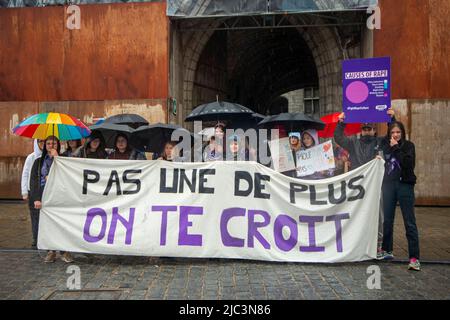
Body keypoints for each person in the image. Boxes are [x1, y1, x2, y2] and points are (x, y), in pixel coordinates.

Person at [377, 121, 421, 271]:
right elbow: (380, 147)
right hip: (389, 185)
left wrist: (396, 147)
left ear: (402, 133)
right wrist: (390, 119)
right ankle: (387, 250)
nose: (395, 135)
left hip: (405, 186)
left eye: (398, 132)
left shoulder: (409, 146)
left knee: (409, 222)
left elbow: (408, 164)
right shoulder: (386, 145)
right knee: (387, 220)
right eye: (393, 132)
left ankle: (414, 258)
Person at [29, 136, 74, 263]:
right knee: (47, 224)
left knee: (61, 223)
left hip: (59, 195)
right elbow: (34, 181)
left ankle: (64, 251)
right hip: (43, 195)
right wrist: (36, 198)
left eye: (53, 143)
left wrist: (57, 158)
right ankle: (51, 251)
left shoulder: (63, 160)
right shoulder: (38, 162)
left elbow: (68, 175)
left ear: (58, 145)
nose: (50, 145)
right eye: (48, 143)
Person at [21, 139, 44, 248]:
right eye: (40, 141)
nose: (42, 143)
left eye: (45, 141)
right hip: (33, 191)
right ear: (36, 142)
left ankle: (44, 237)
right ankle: (36, 237)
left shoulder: (48, 157)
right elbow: (25, 174)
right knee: (35, 216)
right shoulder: (31, 157)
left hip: (45, 192)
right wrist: (24, 191)